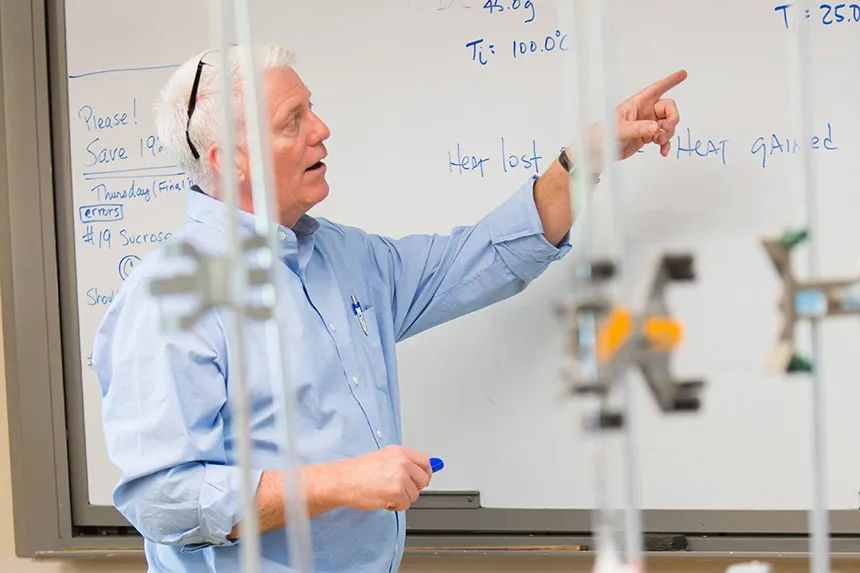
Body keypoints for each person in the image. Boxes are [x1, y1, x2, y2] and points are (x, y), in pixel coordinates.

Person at [92, 44, 685, 572]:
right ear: (231, 161)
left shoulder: (343, 258)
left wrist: (585, 160)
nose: (321, 129)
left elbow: (477, 259)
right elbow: (164, 502)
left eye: (311, 109)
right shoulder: (168, 296)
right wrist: (338, 484)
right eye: (291, 121)